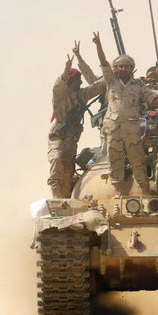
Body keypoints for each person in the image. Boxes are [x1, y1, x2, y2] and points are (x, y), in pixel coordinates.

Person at [93, 32, 158, 196]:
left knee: (137, 160)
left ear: (132, 68)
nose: (123, 69)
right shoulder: (111, 81)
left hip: (131, 129)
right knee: (115, 160)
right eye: (120, 66)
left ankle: (145, 190)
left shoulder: (138, 85)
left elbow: (152, 97)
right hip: (113, 128)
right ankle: (119, 192)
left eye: (127, 66)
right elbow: (103, 63)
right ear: (116, 69)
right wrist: (98, 45)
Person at [47, 41, 105, 198]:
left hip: (72, 139)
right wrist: (66, 70)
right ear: (71, 81)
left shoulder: (82, 95)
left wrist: (113, 72)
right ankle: (56, 197)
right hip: (59, 137)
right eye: (78, 80)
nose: (81, 82)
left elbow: (99, 85)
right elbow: (58, 87)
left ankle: (64, 199)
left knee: (68, 170)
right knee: (57, 160)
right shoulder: (61, 97)